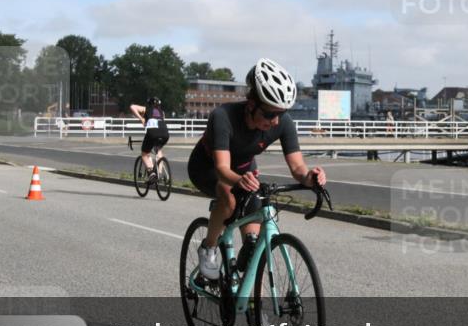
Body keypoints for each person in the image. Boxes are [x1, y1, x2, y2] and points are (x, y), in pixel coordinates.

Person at [187, 58, 326, 280]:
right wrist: (238, 181)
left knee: (254, 252)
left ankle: (254, 307)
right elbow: (222, 168)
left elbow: (298, 166)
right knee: (228, 197)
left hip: (245, 171)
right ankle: (209, 248)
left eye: (280, 113)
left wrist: (309, 177)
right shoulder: (223, 116)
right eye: (269, 114)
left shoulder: (282, 122)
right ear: (251, 104)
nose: (274, 121)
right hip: (207, 168)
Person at [129, 97, 170, 180]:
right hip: (165, 133)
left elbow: (132, 107)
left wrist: (141, 119)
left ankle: (151, 173)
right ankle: (160, 173)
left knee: (144, 154)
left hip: (152, 133)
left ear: (149, 104)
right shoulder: (162, 112)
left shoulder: (146, 109)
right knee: (158, 149)